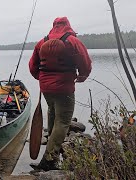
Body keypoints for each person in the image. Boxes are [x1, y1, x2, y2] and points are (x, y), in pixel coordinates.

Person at [29, 17, 92, 171]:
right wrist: (82, 76)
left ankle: (52, 148)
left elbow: (32, 66)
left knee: (52, 113)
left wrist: (41, 78)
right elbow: (85, 62)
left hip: (45, 88)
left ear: (54, 26)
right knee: (63, 121)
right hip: (65, 87)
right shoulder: (72, 41)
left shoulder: (41, 42)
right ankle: (49, 159)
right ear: (68, 26)